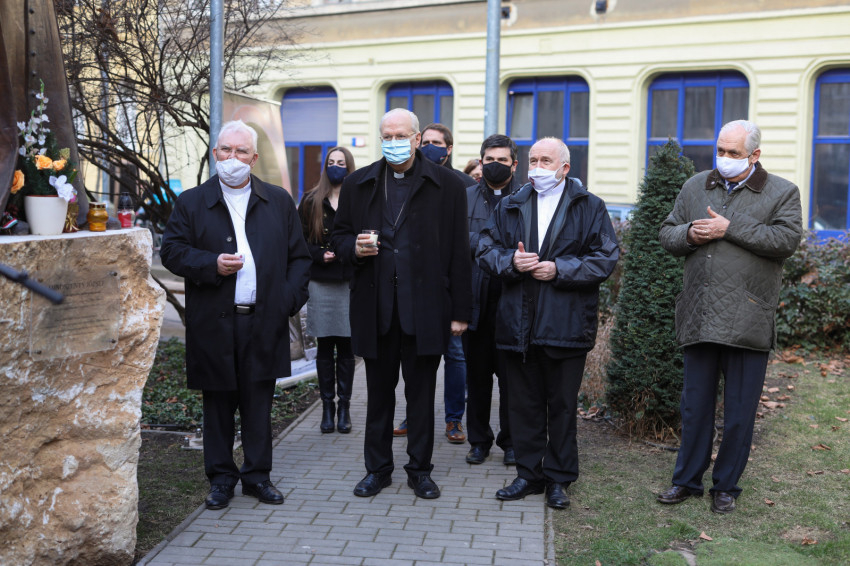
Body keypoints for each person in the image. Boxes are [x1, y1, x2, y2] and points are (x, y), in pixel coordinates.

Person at [160, 120, 311, 510]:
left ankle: (258, 477)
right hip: (214, 321)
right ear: (215, 154)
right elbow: (171, 251)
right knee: (218, 405)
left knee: (259, 404)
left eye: (241, 151)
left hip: (264, 321)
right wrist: (210, 263)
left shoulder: (278, 201)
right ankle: (221, 480)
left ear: (254, 158)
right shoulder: (192, 201)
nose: (232, 157)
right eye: (226, 150)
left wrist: (286, 300)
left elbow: (299, 258)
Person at [656, 120, 802, 514]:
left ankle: (726, 487)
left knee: (739, 414)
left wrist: (729, 227)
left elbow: (786, 240)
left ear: (754, 155)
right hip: (700, 313)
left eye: (733, 153)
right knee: (695, 408)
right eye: (720, 150)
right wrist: (690, 233)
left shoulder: (782, 192)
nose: (724, 158)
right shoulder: (696, 185)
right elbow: (667, 232)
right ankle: (686, 481)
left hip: (748, 318)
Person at [332, 108, 472, 500]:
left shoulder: (448, 185)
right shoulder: (359, 183)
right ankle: (377, 470)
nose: (393, 142)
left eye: (400, 136)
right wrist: (354, 248)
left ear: (416, 138)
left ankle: (420, 471)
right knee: (378, 396)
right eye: (387, 136)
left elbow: (459, 251)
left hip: (425, 309)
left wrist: (461, 312)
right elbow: (338, 239)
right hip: (375, 308)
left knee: (421, 397)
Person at [476, 137, 619, 509]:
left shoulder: (589, 206)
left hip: (566, 325)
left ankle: (559, 478)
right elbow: (485, 249)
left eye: (546, 161)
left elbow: (605, 257)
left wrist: (560, 269)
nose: (537, 167)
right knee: (523, 405)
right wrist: (511, 262)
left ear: (565, 168)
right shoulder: (511, 204)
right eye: (533, 160)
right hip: (518, 325)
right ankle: (528, 475)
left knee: (562, 408)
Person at [392, 122, 469, 445]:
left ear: (448, 149)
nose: (429, 147)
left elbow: (461, 247)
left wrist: (460, 307)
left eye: (437, 143)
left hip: (447, 291)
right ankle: (414, 415)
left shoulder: (461, 184)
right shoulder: (409, 180)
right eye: (426, 141)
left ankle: (454, 418)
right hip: (419, 295)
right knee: (417, 364)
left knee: (455, 356)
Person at [464, 134, 522, 467]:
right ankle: (478, 441)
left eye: (502, 160)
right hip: (476, 301)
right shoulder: (464, 198)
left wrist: (484, 244)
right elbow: (455, 240)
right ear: (481, 161)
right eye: (489, 159)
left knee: (512, 380)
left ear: (514, 164)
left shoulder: (526, 198)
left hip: (512, 302)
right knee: (477, 378)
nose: (495, 165)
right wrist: (492, 245)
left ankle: (511, 442)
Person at [298, 147, 357, 434]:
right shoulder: (311, 200)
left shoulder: (358, 199)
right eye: (331, 162)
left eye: (341, 163)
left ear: (349, 167)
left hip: (348, 281)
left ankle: (344, 407)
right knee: (324, 346)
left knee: (346, 347)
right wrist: (320, 255)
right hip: (320, 281)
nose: (335, 167)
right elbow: (297, 242)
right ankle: (327, 408)